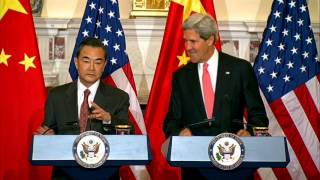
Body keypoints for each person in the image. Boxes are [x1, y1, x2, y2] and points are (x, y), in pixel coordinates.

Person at [163, 13, 269, 179]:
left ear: (211, 40)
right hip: (195, 166)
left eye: (193, 41)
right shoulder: (181, 76)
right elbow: (171, 121)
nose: (187, 47)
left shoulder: (240, 69)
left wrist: (249, 132)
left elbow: (259, 116)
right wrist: (179, 132)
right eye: (185, 41)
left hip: (234, 162)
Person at [37, 37, 130, 179]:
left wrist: (108, 118)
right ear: (76, 62)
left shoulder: (119, 97)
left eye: (97, 62)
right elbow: (47, 131)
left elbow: (129, 132)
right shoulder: (57, 96)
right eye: (86, 61)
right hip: (65, 174)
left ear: (104, 65)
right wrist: (48, 138)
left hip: (105, 174)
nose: (91, 68)